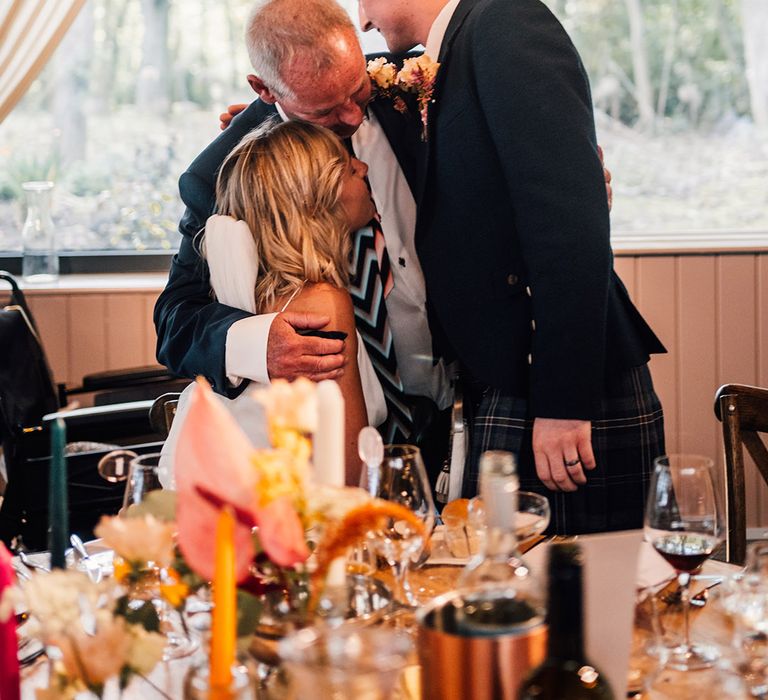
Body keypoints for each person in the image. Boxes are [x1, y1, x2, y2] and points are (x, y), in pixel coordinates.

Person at [358, 0, 666, 533]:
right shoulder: (450, 51)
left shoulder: (507, 23)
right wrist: (264, 111)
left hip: (554, 379)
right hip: (508, 374)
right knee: (511, 597)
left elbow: (568, 225)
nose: (362, 19)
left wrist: (564, 402)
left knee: (590, 598)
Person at [153, 0, 454, 483]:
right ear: (265, 89)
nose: (354, 116)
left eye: (357, 90)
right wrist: (259, 343)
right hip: (338, 446)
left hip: (451, 399)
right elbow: (175, 319)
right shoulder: (223, 173)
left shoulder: (418, 86)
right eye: (326, 110)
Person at [163, 119, 385, 482]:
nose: (362, 167)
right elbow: (347, 474)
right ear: (316, 199)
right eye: (347, 166)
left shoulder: (242, 287)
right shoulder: (321, 304)